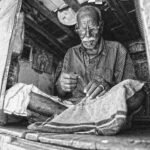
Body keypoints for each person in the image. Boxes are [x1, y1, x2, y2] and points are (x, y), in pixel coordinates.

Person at [3, 5, 145, 135]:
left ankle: (70, 121)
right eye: (82, 29)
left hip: (104, 106)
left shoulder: (117, 49)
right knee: (17, 92)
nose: (87, 34)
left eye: (93, 28)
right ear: (77, 29)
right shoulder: (71, 53)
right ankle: (84, 121)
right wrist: (61, 84)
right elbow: (58, 92)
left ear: (100, 27)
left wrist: (107, 86)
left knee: (138, 91)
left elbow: (129, 85)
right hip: (71, 106)